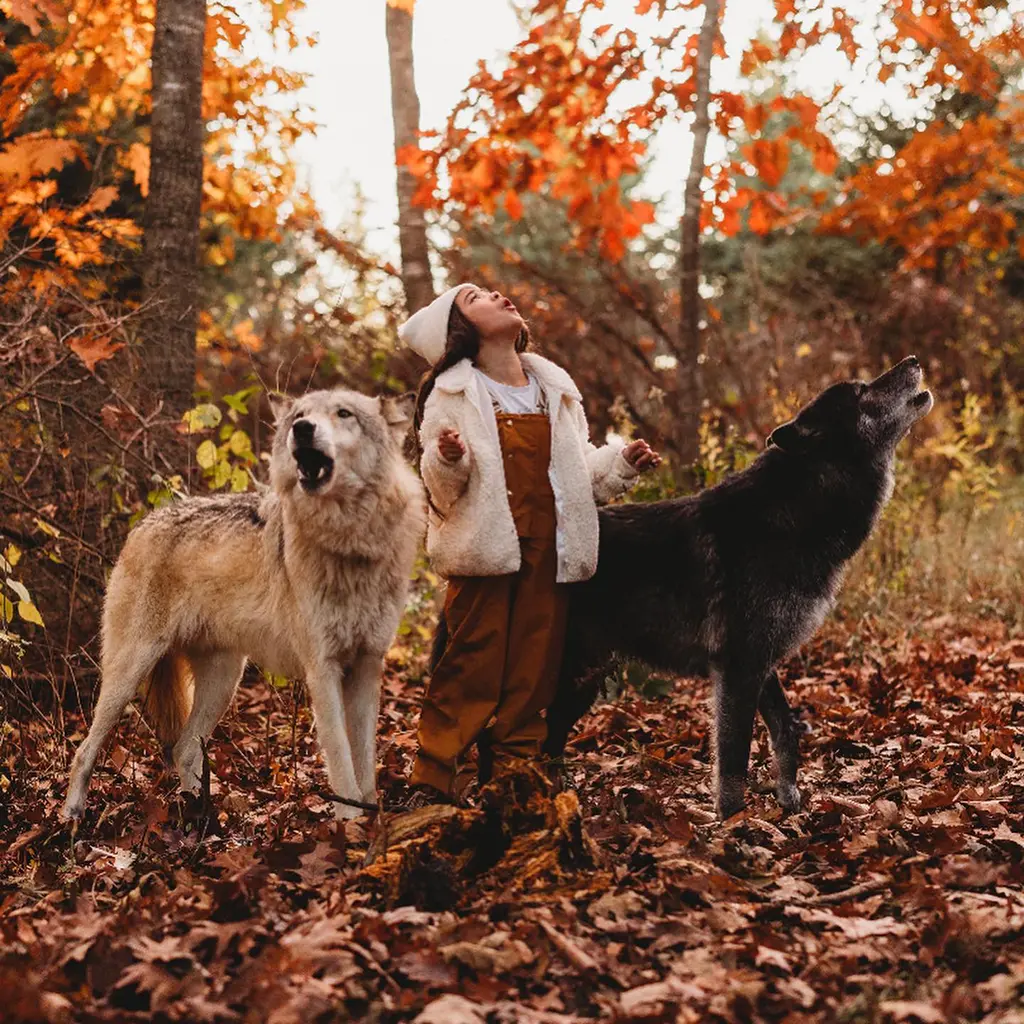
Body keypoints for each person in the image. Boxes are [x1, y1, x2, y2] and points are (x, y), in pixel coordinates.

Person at [399, 284, 661, 801]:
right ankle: (434, 776)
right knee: (470, 663)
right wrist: (448, 458)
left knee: (533, 668)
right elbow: (441, 488)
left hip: (549, 552)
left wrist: (621, 463)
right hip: (486, 552)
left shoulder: (552, 388)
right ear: (460, 329)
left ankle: (515, 775)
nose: (498, 295)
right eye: (477, 298)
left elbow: (576, 468)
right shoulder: (452, 393)